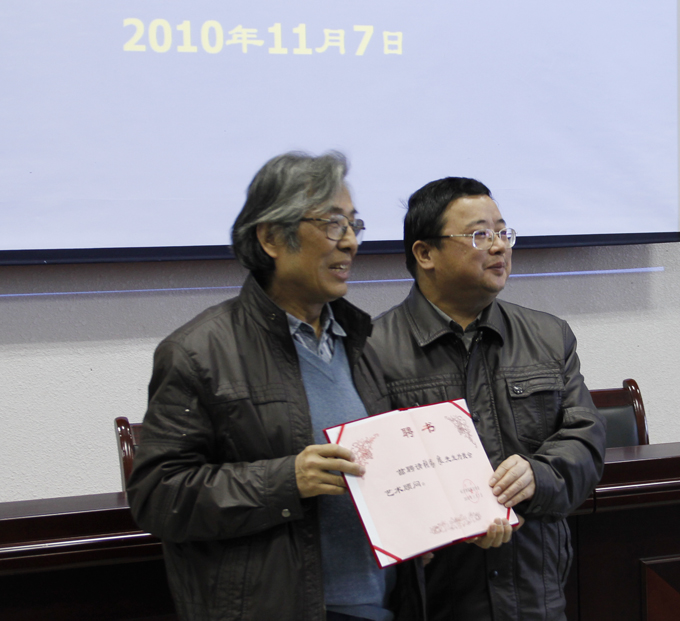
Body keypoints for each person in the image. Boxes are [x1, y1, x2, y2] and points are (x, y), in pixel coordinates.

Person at [126, 152, 425, 621]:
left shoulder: (362, 342)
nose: (350, 242)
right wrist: (286, 481)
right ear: (270, 238)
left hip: (383, 605)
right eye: (333, 224)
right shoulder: (199, 352)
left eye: (354, 224)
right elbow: (158, 496)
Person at [368, 177, 606, 620]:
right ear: (425, 253)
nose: (499, 246)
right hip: (433, 598)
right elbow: (370, 480)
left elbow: (586, 441)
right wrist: (445, 521)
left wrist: (538, 475)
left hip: (533, 593)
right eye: (479, 235)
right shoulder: (371, 349)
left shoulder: (548, 336)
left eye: (503, 232)